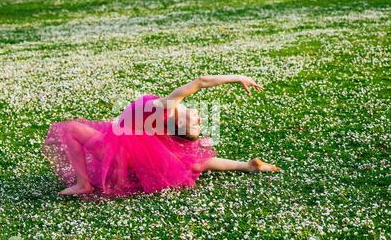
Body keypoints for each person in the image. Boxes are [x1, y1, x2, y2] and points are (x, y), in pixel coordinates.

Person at [42, 75, 280, 197]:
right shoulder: (164, 128)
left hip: (116, 152)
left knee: (70, 128)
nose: (199, 118)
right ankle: (247, 166)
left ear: (179, 123)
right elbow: (201, 162)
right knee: (193, 163)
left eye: (196, 124)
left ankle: (83, 184)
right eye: (199, 121)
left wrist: (237, 77)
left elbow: (201, 81)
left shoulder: (167, 106)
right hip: (127, 153)